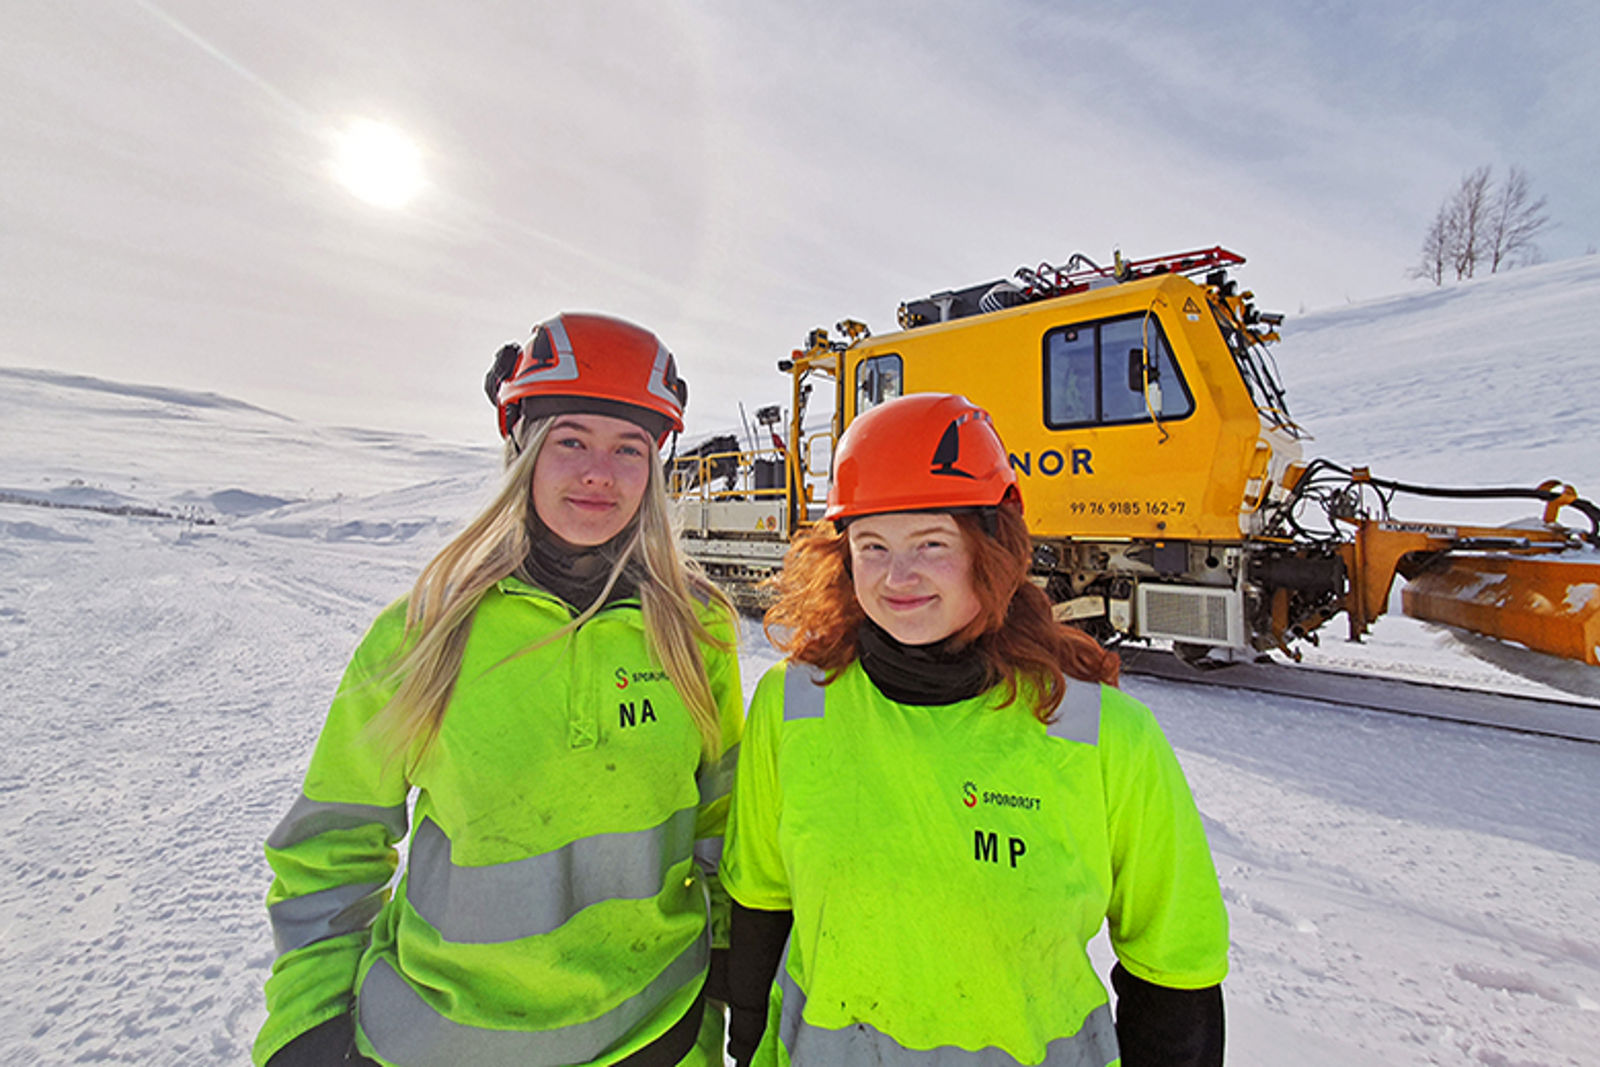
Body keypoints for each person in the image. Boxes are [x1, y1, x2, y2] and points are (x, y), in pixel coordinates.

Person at [253, 313, 743, 1067]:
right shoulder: (425, 630)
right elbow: (334, 843)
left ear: (656, 467)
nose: (598, 473)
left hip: (656, 1037)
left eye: (628, 449)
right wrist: (309, 1025)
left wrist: (707, 1021)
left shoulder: (697, 630)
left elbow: (720, 838)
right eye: (570, 439)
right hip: (439, 1043)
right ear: (521, 447)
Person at [720, 392, 1228, 1067]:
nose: (898, 577)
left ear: (991, 551)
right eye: (873, 546)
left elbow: (1175, 963)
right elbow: (760, 899)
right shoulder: (795, 701)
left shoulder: (1101, 732)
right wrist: (747, 1039)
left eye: (931, 542)